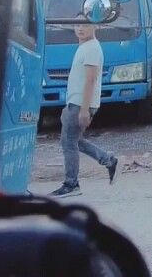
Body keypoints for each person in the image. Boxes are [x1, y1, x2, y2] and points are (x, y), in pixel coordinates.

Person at [49, 23, 118, 197]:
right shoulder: (85, 47)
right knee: (73, 141)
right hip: (75, 103)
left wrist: (84, 110)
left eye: (85, 25)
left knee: (69, 142)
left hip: (81, 104)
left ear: (95, 27)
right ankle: (108, 160)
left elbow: (90, 80)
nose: (80, 29)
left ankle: (71, 184)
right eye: (77, 25)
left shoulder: (92, 48)